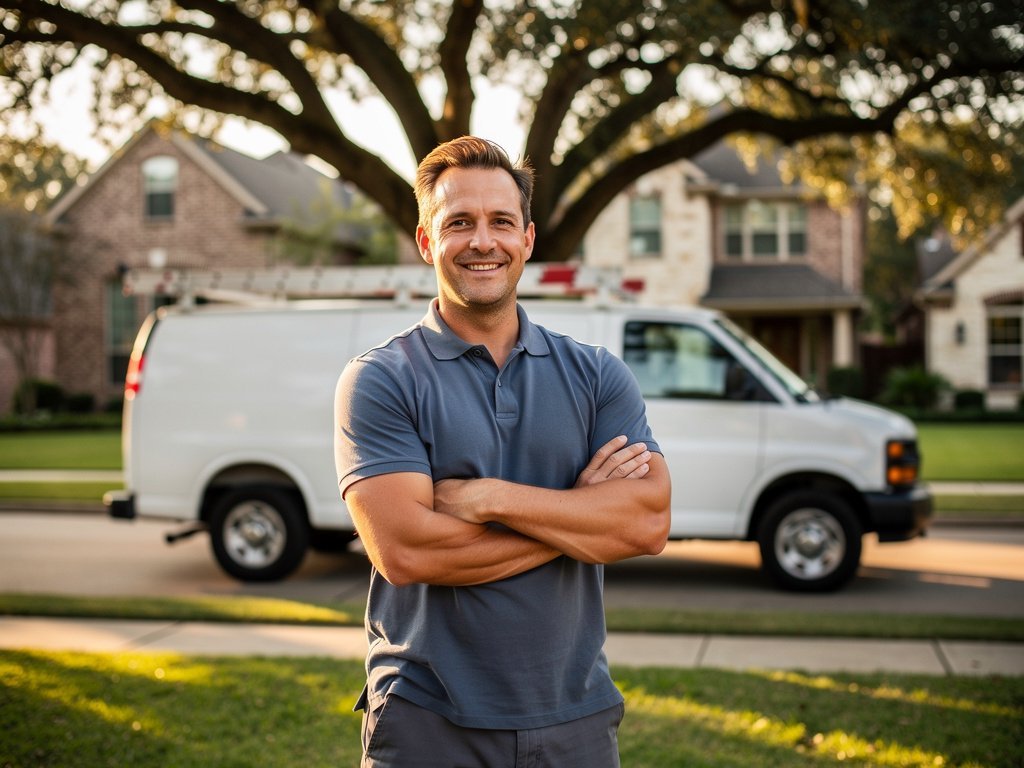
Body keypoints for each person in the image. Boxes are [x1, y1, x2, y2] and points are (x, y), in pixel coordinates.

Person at [334, 135, 671, 767]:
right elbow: (407, 550)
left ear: (528, 239)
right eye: (459, 223)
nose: (482, 241)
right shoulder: (382, 379)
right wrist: (581, 517)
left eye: (501, 222)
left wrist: (488, 498)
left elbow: (647, 522)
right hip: (428, 721)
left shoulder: (596, 375)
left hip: (577, 718)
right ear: (427, 241)